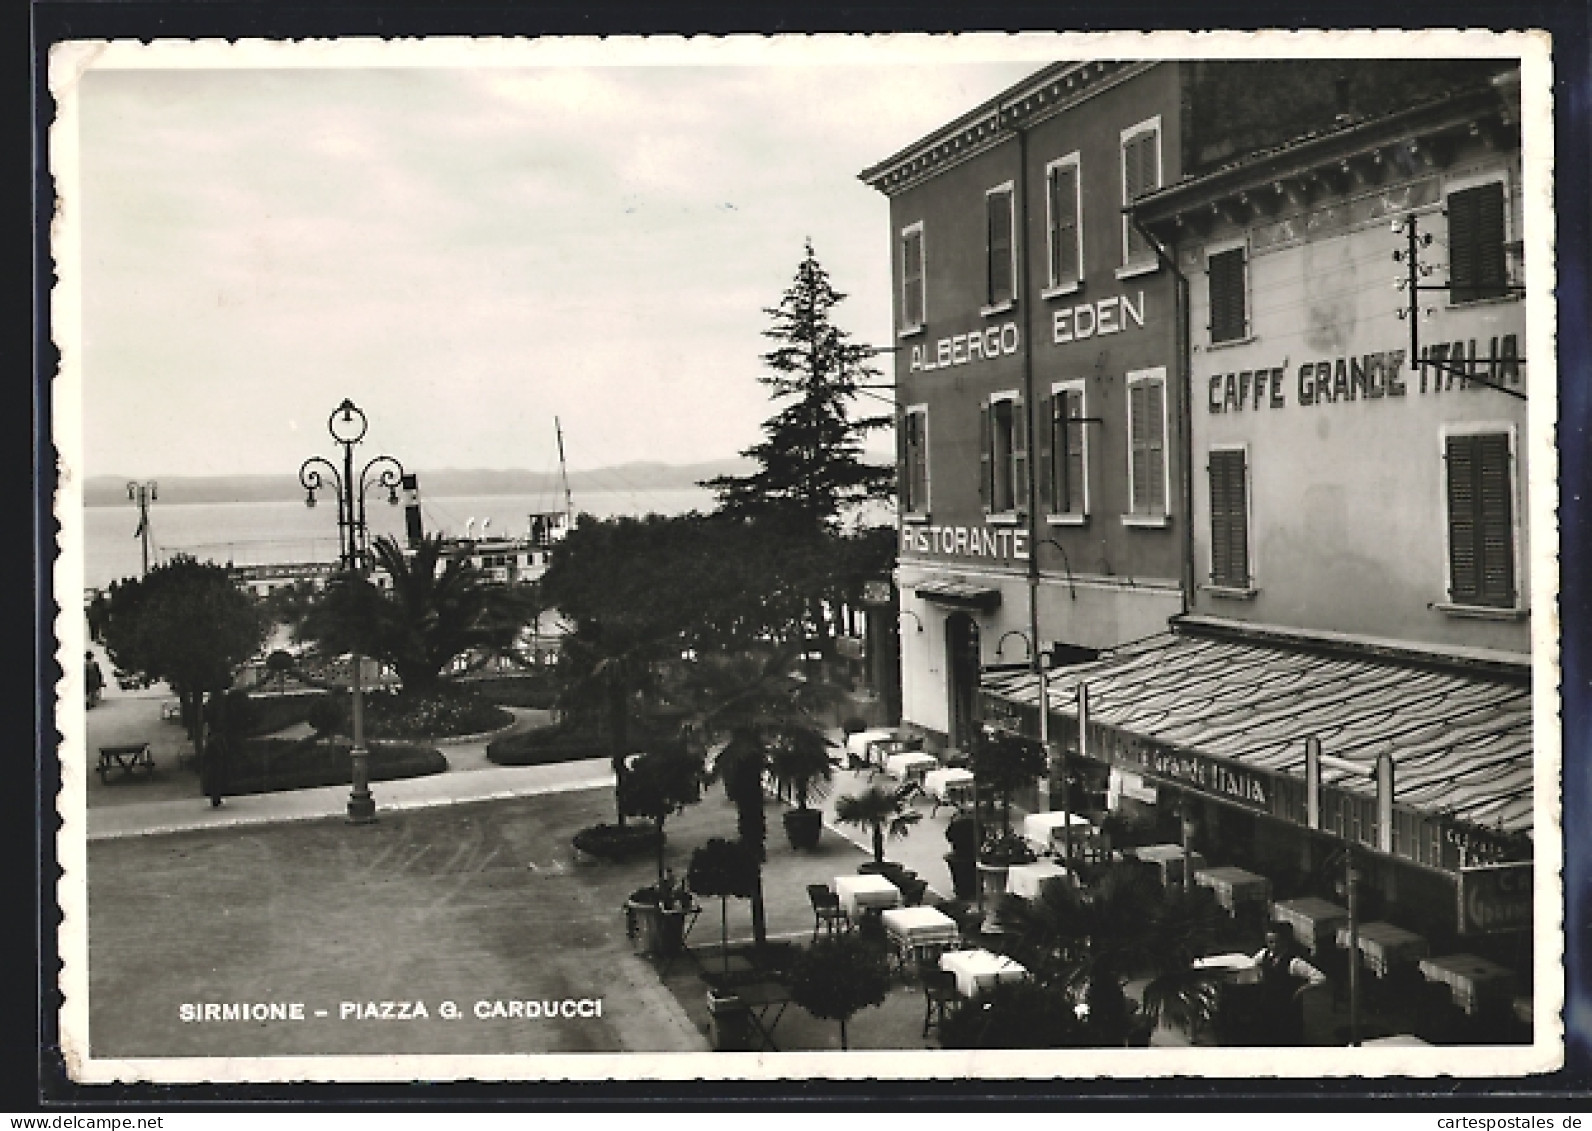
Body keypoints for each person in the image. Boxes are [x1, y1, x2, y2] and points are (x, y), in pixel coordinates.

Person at [1252, 924, 1327, 1044]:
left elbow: (1320, 978)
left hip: (1286, 1007)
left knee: (1287, 1036)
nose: (1272, 946)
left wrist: (1301, 990)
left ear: (1285, 942)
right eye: (1269, 942)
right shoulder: (1264, 954)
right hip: (1268, 1002)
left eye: (1276, 942)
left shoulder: (1294, 962)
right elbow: (1252, 964)